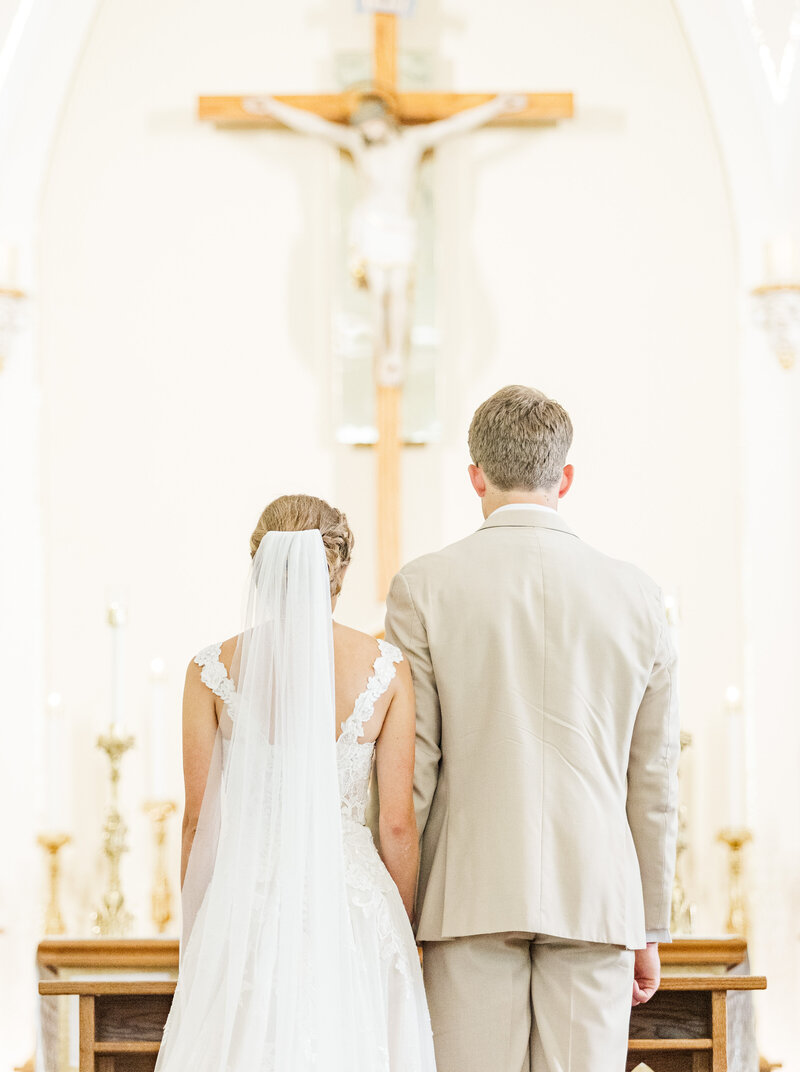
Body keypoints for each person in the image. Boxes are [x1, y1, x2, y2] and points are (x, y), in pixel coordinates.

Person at [385, 385, 680, 1072]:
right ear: (565, 477)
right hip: (599, 899)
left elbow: (414, 768)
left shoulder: (423, 586)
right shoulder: (641, 598)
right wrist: (650, 926)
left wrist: (395, 912)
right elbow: (655, 780)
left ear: (475, 476)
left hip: (467, 897)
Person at [155, 495, 436, 1072]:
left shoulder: (209, 671)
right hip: (354, 903)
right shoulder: (386, 668)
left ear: (259, 565)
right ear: (338, 569)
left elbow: (197, 823)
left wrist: (201, 933)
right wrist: (403, 927)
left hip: (248, 896)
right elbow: (398, 823)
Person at [242, 89, 526, 386]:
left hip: (400, 225)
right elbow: (317, 127)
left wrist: (497, 107)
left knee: (400, 293)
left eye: (370, 123)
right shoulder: (359, 145)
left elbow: (455, 126)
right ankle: (383, 355)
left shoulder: (412, 142)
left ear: (385, 118)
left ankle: (396, 355)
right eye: (362, 126)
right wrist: (273, 108)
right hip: (372, 224)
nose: (366, 130)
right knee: (379, 295)